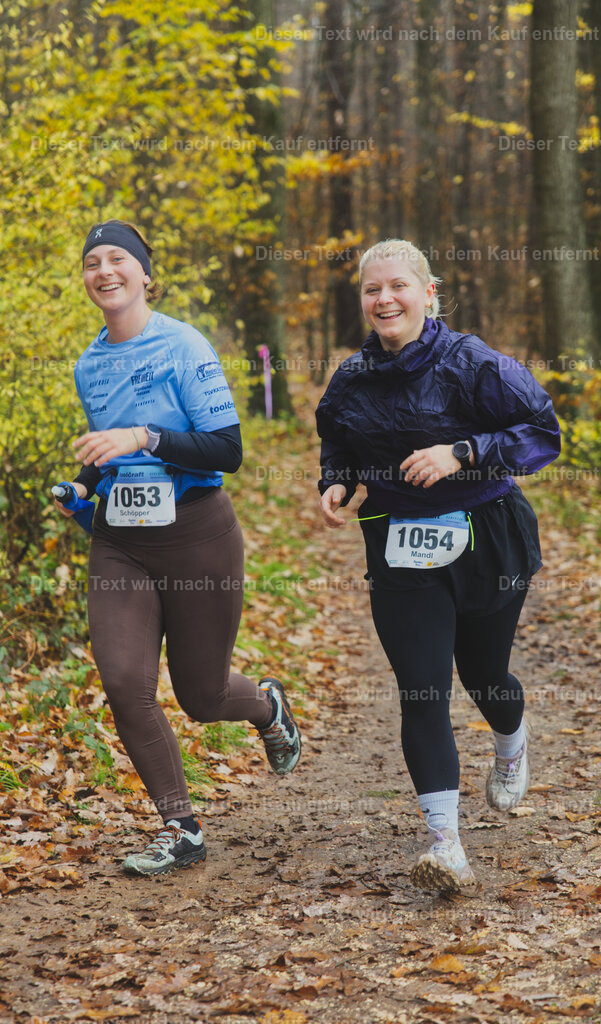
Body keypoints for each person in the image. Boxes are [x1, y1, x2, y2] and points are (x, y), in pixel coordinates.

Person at [55, 219, 301, 877]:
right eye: (91, 262)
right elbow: (108, 455)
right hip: (121, 544)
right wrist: (79, 485)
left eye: (116, 260)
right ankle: (180, 826)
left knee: (201, 695)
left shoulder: (184, 346)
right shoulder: (87, 365)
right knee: (124, 682)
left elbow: (228, 450)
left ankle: (267, 705)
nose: (103, 271)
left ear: (143, 274)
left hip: (197, 536)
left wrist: (144, 436)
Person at [316, 239, 560, 892]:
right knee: (422, 686)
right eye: (372, 289)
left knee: (485, 677)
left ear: (428, 293)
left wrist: (462, 451)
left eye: (398, 286)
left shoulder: (474, 362)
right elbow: (336, 436)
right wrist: (336, 482)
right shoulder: (352, 378)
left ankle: (511, 743)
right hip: (399, 540)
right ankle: (446, 845)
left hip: (487, 533)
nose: (384, 299)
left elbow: (543, 432)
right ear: (363, 299)